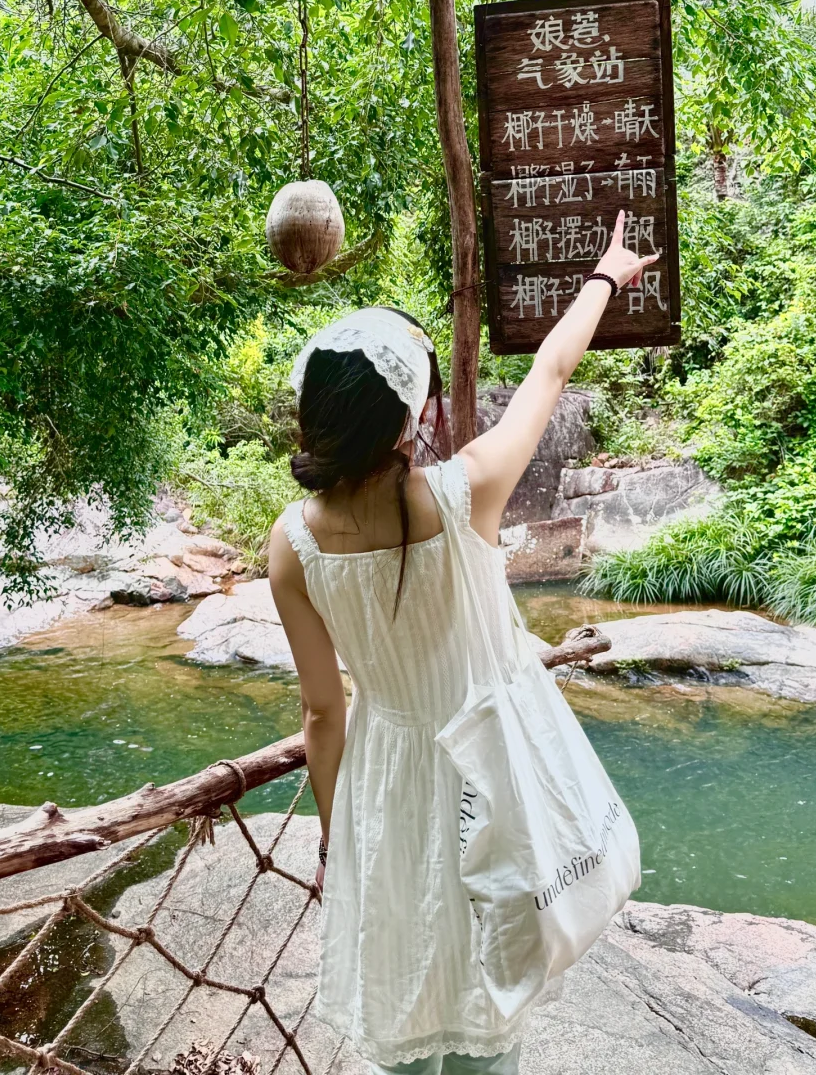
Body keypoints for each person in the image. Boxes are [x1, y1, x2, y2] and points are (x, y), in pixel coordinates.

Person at [268, 209, 658, 1075]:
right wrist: (606, 275)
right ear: (410, 411)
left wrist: (343, 836)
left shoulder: (290, 544)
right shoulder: (464, 490)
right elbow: (552, 373)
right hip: (492, 772)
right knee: (492, 1001)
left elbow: (321, 713)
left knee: (409, 987)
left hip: (387, 782)